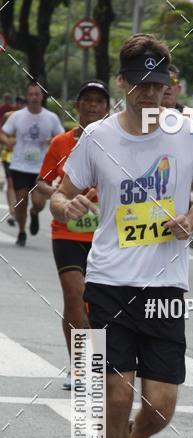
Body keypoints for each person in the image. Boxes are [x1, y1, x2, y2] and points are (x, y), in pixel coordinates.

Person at [51, 34, 193, 438]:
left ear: (170, 87)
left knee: (161, 405)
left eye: (159, 84)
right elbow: (60, 196)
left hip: (165, 287)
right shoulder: (98, 136)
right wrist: (70, 205)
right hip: (108, 281)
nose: (150, 94)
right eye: (141, 84)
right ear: (124, 83)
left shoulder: (188, 136)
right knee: (116, 397)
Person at [35, 81, 110, 390]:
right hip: (66, 232)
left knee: (98, 304)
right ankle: (78, 367)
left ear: (108, 108)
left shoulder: (116, 144)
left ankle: (99, 364)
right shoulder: (60, 143)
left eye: (99, 102)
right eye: (87, 100)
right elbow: (43, 182)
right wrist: (58, 196)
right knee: (74, 295)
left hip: (104, 235)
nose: (93, 106)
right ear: (76, 105)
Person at [0, 82, 63, 246]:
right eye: (31, 94)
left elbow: (61, 137)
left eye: (37, 94)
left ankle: (34, 214)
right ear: (27, 96)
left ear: (42, 97)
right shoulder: (17, 116)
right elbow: (3, 133)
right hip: (20, 165)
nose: (34, 97)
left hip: (41, 167)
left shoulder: (51, 118)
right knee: (21, 201)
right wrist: (8, 142)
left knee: (39, 202)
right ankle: (21, 231)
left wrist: (52, 141)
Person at [1, 97, 24, 227]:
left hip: (23, 157)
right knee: (10, 183)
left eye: (23, 104)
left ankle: (19, 209)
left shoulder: (29, 118)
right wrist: (7, 141)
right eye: (19, 103)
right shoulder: (8, 116)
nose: (21, 106)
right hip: (8, 155)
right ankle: (12, 211)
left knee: (21, 187)